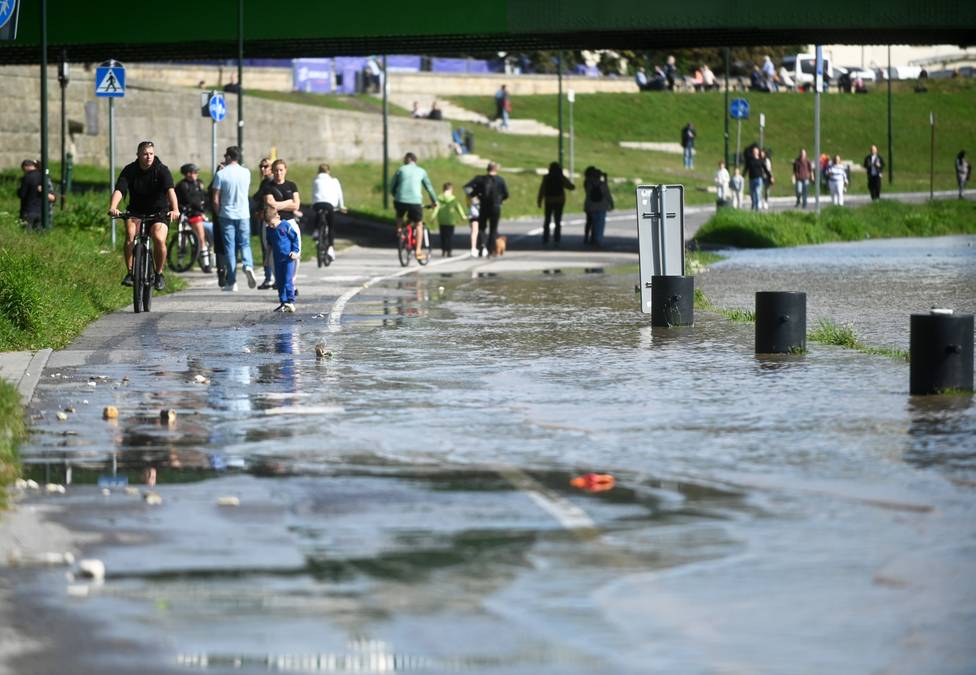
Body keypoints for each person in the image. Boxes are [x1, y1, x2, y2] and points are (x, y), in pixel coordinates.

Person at [108, 141, 180, 290]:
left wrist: (175, 209)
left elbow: (170, 190)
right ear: (138, 155)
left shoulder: (161, 170)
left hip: (159, 212)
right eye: (145, 154)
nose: (148, 157)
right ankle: (130, 272)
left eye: (151, 154)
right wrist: (113, 207)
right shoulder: (130, 170)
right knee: (130, 235)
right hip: (136, 211)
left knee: (159, 238)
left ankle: (159, 274)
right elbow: (120, 189)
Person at [211, 145, 255, 292]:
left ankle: (232, 282)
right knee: (245, 243)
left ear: (228, 157)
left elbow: (216, 198)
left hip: (226, 214)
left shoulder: (221, 174)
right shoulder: (246, 173)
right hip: (243, 214)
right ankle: (248, 265)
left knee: (230, 248)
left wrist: (218, 213)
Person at [262, 159, 302, 295]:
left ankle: (291, 282)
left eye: (281, 170)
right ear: (272, 171)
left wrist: (280, 204)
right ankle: (279, 281)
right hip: (274, 224)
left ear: (285, 170)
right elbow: (271, 204)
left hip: (290, 222)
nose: (279, 173)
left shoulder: (292, 185)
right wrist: (288, 202)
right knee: (273, 253)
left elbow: (296, 205)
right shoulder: (268, 187)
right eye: (276, 170)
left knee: (295, 253)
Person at [391, 152, 438, 262]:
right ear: (415, 161)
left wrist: (397, 195)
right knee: (418, 224)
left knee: (399, 215)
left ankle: (399, 232)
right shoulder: (421, 171)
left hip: (400, 200)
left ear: (405, 160)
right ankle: (417, 251)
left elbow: (392, 187)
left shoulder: (400, 169)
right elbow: (429, 188)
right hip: (415, 202)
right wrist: (434, 201)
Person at [464, 162, 510, 257]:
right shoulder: (500, 180)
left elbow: (467, 187)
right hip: (496, 207)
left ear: (487, 169)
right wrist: (500, 199)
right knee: (493, 229)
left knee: (481, 228)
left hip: (484, 206)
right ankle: (491, 250)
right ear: (495, 169)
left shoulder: (480, 179)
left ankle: (481, 246)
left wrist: (473, 195)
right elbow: (506, 194)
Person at [175, 163, 213, 273]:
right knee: (182, 240)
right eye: (194, 172)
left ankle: (206, 264)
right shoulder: (182, 185)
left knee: (201, 238)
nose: (196, 174)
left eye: (196, 172)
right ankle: (180, 263)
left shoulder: (197, 184)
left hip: (196, 214)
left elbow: (203, 198)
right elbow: (187, 200)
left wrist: (203, 210)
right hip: (185, 214)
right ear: (187, 174)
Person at [263, 205, 299, 313]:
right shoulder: (269, 229)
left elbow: (295, 239)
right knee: (279, 281)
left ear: (277, 217)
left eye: (272, 224)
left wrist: (295, 251)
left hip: (288, 259)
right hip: (277, 259)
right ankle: (283, 302)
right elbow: (269, 245)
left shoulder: (285, 226)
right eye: (269, 224)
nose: (271, 226)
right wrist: (266, 258)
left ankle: (291, 301)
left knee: (288, 280)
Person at [311, 163, 345, 264]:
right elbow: (339, 194)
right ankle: (330, 248)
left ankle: (316, 230)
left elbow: (313, 193)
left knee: (318, 213)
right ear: (328, 171)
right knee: (330, 227)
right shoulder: (334, 181)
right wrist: (341, 206)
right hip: (329, 205)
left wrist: (313, 204)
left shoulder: (315, 180)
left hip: (317, 204)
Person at [537, 161, 575, 245]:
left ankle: (545, 238)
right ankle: (557, 238)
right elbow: (570, 187)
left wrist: (539, 200)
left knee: (547, 220)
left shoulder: (546, 177)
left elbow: (542, 189)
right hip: (559, 200)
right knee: (558, 220)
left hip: (549, 200)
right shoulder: (561, 177)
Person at [251, 158, 274, 289]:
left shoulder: (270, 182)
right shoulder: (265, 182)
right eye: (261, 166)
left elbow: (258, 198)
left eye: (266, 166)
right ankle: (269, 277)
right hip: (264, 217)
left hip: (270, 219)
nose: (262, 169)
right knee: (266, 248)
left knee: (268, 248)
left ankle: (270, 278)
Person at [17, 159, 55, 231]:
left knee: (26, 233)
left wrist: (18, 191)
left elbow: (22, 194)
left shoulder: (27, 177)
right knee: (39, 232)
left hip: (28, 210)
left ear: (25, 167)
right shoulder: (45, 178)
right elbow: (53, 197)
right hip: (41, 212)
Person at [433, 182, 466, 257]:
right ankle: (449, 250)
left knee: (443, 236)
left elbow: (436, 208)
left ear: (443, 189)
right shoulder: (453, 199)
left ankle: (443, 250)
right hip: (451, 221)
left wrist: (433, 217)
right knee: (449, 236)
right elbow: (458, 207)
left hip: (441, 220)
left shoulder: (439, 198)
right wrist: (463, 216)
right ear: (451, 189)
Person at [586, 170, 614, 247]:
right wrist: (611, 204)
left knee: (594, 224)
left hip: (592, 206)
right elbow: (608, 195)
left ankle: (595, 239)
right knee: (600, 224)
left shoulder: (589, 184)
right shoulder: (603, 184)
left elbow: (588, 195)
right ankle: (599, 240)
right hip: (602, 206)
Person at [745, 146, 766, 211]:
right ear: (753, 152)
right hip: (751, 179)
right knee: (752, 193)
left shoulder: (760, 160)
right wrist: (742, 176)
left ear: (758, 152)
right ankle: (753, 204)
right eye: (754, 151)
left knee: (757, 192)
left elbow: (765, 169)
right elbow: (746, 168)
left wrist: (770, 176)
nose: (755, 152)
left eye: (756, 151)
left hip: (759, 179)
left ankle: (757, 207)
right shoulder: (750, 160)